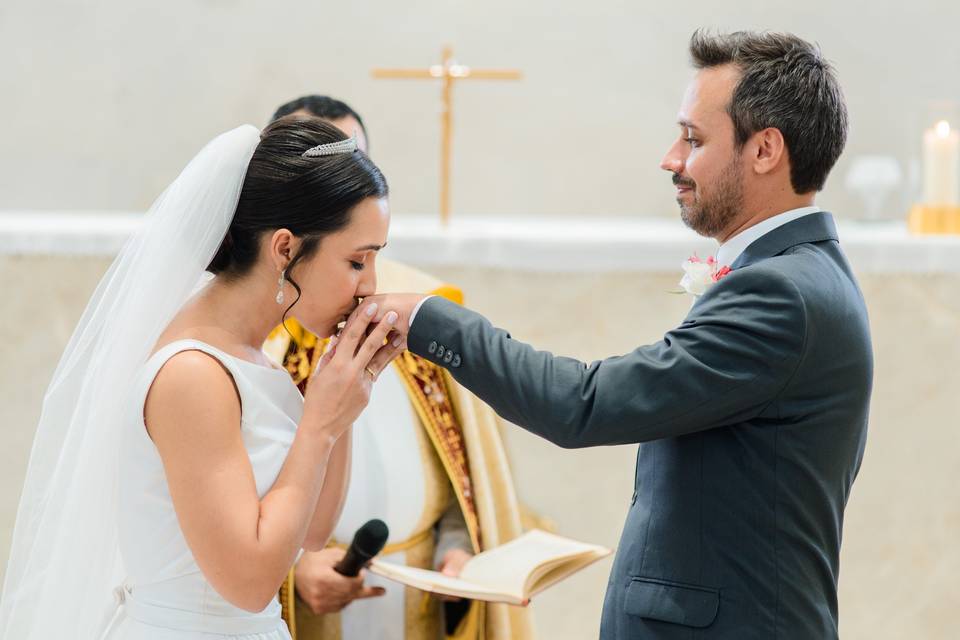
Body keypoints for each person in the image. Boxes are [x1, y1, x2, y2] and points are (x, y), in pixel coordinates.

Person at [371, 30, 872, 639]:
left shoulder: (781, 293)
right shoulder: (799, 274)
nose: (671, 159)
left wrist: (428, 317)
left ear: (765, 149)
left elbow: (583, 405)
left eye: (693, 138)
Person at [0, 118, 404, 639]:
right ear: (284, 249)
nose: (370, 286)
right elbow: (250, 580)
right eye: (357, 261)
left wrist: (346, 389)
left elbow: (316, 528)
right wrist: (320, 424)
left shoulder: (255, 361)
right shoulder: (193, 374)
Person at [265, 96, 533, 640]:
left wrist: (457, 551)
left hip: (419, 608)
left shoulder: (422, 307)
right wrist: (292, 568)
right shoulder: (253, 336)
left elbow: (465, 473)